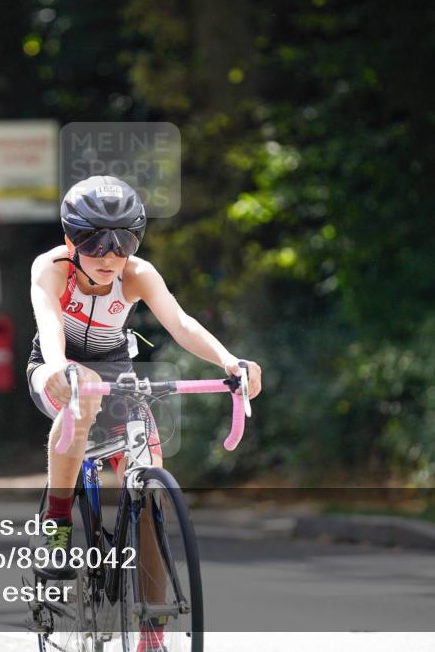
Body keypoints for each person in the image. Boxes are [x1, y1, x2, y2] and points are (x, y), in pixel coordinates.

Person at [27, 175, 261, 649]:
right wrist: (59, 368)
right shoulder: (51, 268)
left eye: (124, 241)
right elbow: (49, 325)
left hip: (117, 372)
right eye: (94, 242)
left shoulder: (138, 274)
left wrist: (229, 361)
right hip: (54, 367)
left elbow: (181, 323)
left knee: (150, 490)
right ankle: (58, 521)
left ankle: (151, 634)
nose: (109, 255)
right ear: (71, 240)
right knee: (81, 397)